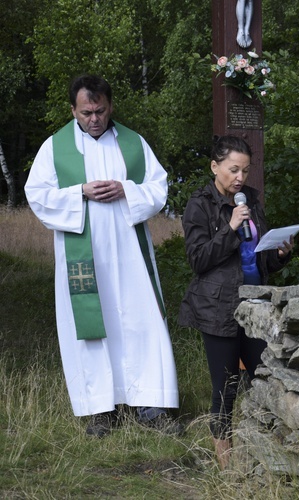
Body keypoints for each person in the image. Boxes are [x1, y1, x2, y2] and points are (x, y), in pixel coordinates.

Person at [24, 74, 182, 438]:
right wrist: (79, 191)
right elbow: (37, 195)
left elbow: (158, 188)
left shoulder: (133, 143)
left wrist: (125, 189)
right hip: (85, 256)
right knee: (92, 330)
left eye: (100, 111)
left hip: (129, 253)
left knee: (140, 321)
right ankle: (101, 409)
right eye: (86, 113)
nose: (94, 119)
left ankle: (150, 404)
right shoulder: (54, 148)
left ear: (110, 107)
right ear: (73, 111)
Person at [178, 135, 293, 469]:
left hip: (256, 307)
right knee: (226, 388)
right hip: (219, 309)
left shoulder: (252, 200)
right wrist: (229, 228)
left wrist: (280, 253)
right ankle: (226, 469)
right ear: (215, 166)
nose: (240, 178)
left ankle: (265, 457)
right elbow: (198, 260)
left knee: (265, 379)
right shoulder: (200, 204)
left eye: (245, 170)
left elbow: (261, 260)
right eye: (233, 170)